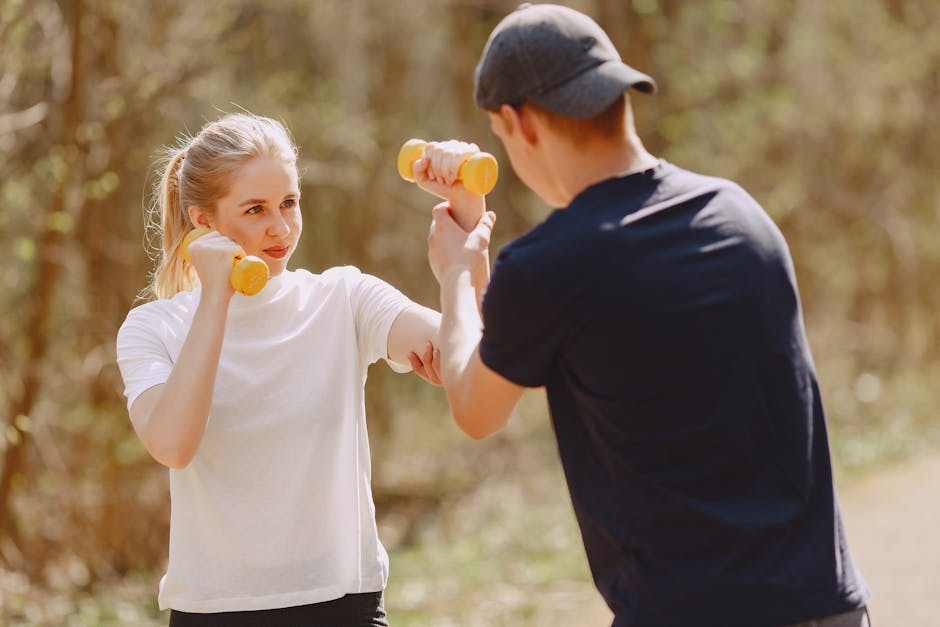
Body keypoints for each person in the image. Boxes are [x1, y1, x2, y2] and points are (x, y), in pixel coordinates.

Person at [412, 4, 870, 626]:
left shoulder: (551, 265)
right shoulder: (738, 215)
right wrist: (476, 233)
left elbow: (475, 407)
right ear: (616, 96)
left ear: (518, 123)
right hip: (830, 605)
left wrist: (460, 272)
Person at [116, 112, 444, 626]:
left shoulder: (344, 298)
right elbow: (173, 444)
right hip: (213, 611)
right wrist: (216, 300)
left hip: (343, 605)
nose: (281, 227)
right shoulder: (152, 328)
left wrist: (467, 223)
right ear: (204, 222)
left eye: (289, 203)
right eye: (255, 209)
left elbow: (466, 354)